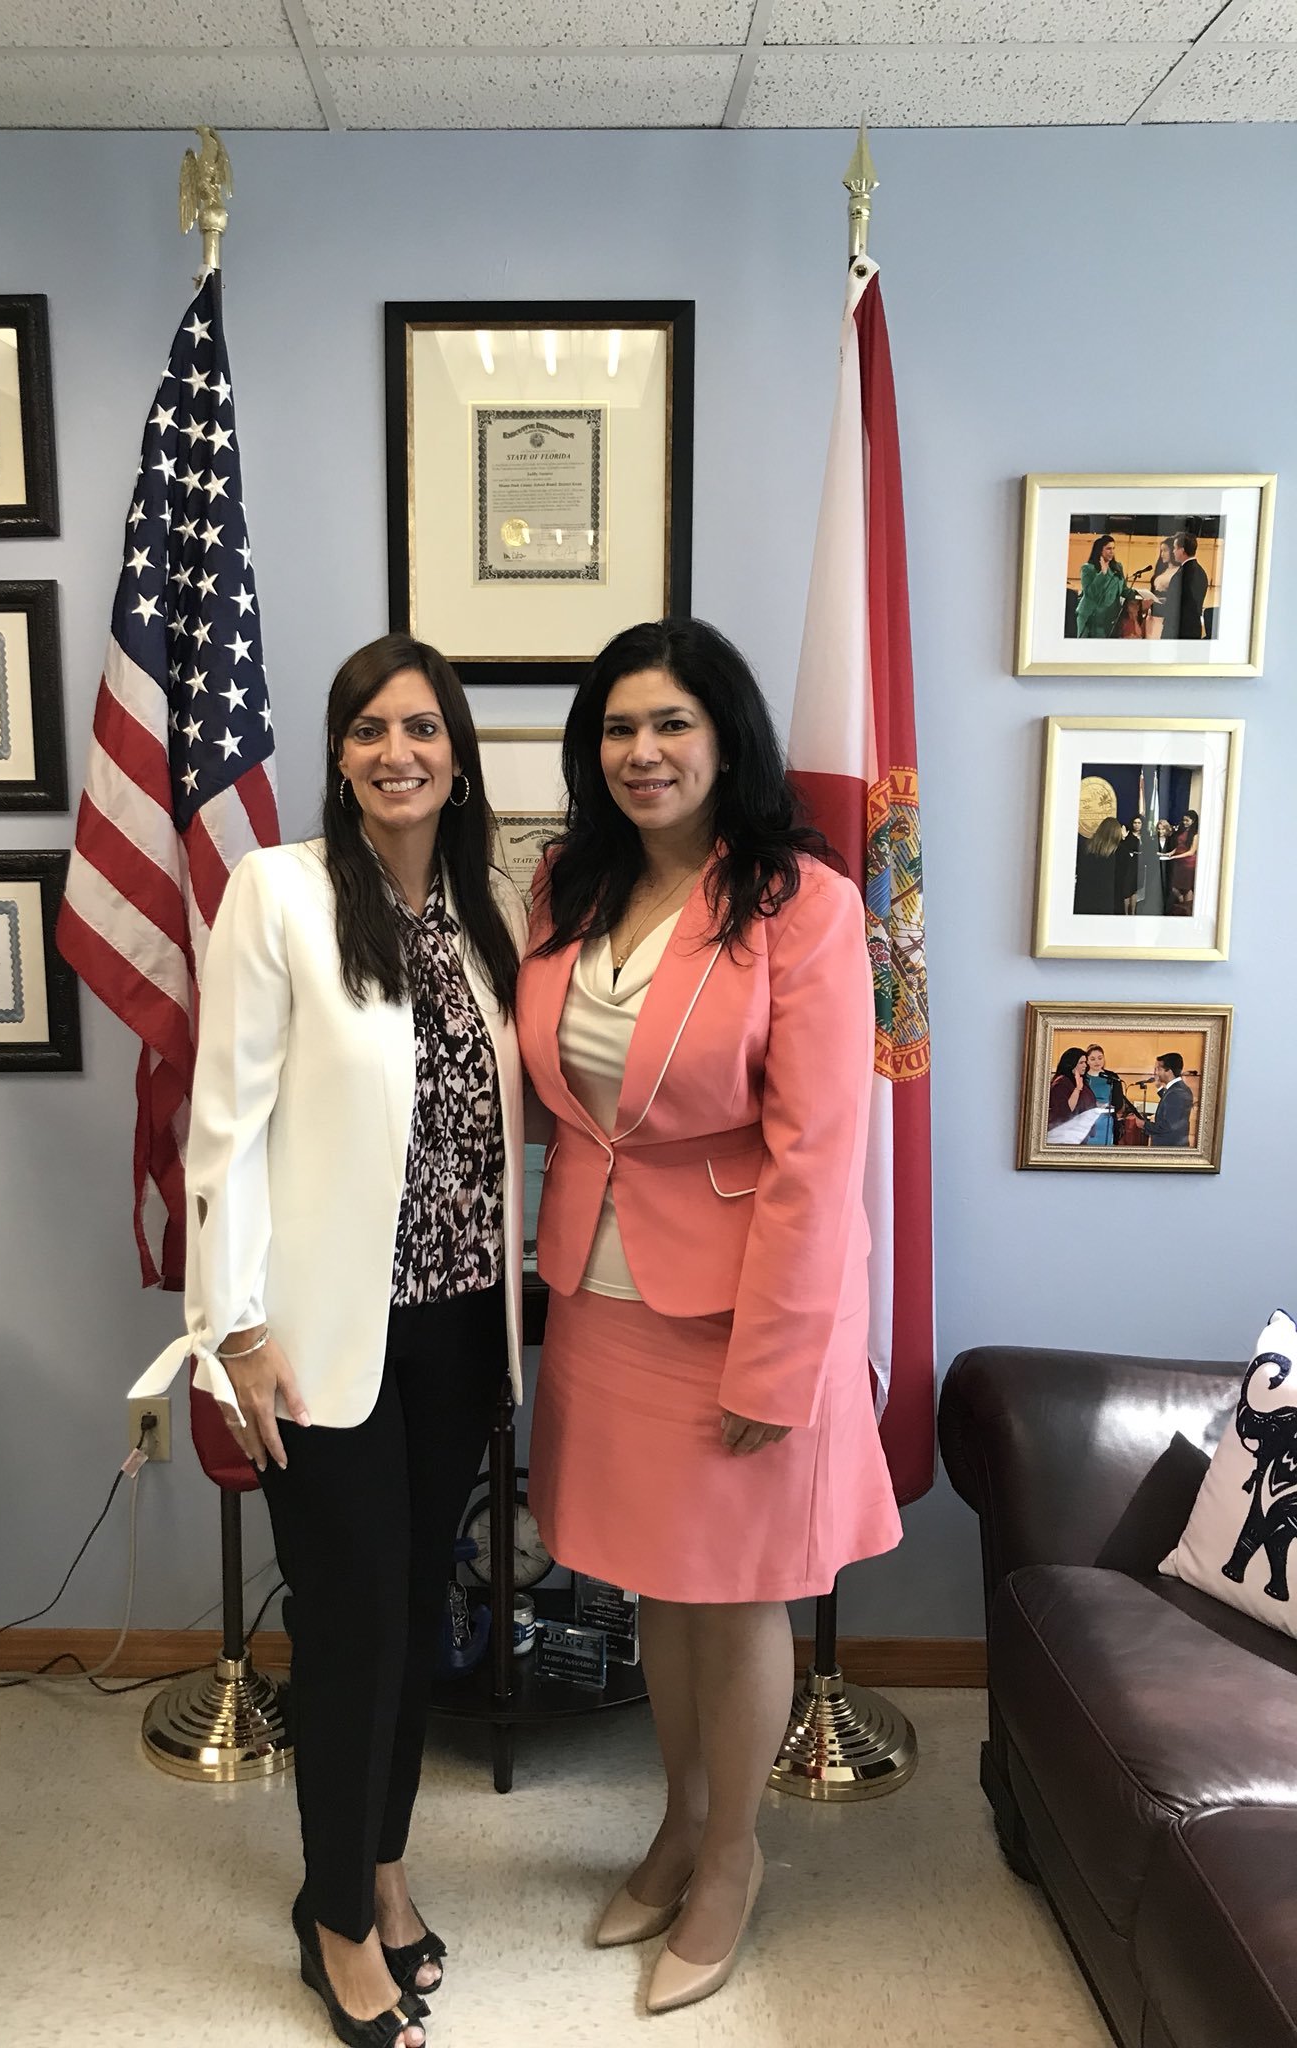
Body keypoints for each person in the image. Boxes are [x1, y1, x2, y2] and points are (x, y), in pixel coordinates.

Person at [516, 618, 900, 2015]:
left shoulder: (803, 902)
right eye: (620, 727)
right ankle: (678, 1824)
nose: (644, 751)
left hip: (745, 1306)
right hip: (603, 1291)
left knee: (734, 1596)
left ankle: (732, 1857)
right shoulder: (568, 880)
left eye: (672, 722)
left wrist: (777, 1361)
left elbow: (819, 1155)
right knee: (655, 1581)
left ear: (726, 737)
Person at [165, 633, 527, 2048]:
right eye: (370, 728)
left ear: (457, 755)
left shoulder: (482, 913)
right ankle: (331, 1919)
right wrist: (236, 1327)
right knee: (350, 1623)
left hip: (459, 1329)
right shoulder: (280, 891)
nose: (397, 751)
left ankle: (379, 1867)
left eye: (422, 728)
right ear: (338, 754)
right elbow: (224, 1127)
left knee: (417, 1611)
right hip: (319, 1336)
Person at [1075, 534, 1136, 638]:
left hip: (1109, 618)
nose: (1112, 552)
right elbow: (1090, 593)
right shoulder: (1088, 568)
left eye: (1113, 548)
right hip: (1090, 618)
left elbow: (1123, 590)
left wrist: (1140, 595)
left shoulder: (1117, 567)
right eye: (1108, 549)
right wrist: (1102, 574)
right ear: (1100, 550)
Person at [1047, 1047, 1103, 1144]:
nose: (1085, 1065)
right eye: (1081, 1063)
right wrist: (1077, 1089)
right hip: (1066, 1136)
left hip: (1081, 1134)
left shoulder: (1080, 1080)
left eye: (1085, 1062)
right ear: (1071, 1064)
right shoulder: (1060, 1083)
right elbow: (1066, 1110)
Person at [1161, 532, 1209, 640]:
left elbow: (1175, 606)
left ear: (1182, 550)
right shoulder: (1201, 572)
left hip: (1178, 630)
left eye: (1175, 548)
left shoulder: (1182, 574)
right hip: (1194, 628)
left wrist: (1153, 605)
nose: (1173, 551)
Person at [1075, 816, 1126, 915]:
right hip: (1110, 903)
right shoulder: (1121, 852)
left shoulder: (1085, 848)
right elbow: (1123, 880)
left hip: (1084, 900)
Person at [1082, 1044, 1128, 1147]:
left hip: (1107, 1121)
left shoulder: (1112, 1077)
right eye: (1093, 1059)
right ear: (1087, 1061)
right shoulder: (1083, 1078)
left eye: (1100, 1058)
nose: (1097, 1062)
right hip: (1087, 1122)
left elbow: (1118, 1103)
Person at [1149, 1053, 1195, 1146]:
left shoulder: (1177, 1092)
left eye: (1158, 1069)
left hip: (1169, 1146)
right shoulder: (1178, 1089)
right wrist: (1159, 1088)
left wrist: (1144, 1125)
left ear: (1169, 1071)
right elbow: (1171, 1102)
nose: (1156, 1073)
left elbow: (1167, 1126)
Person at [1163, 808, 1200, 915]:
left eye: (1187, 820)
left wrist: (1176, 856)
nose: (1184, 822)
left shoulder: (1195, 835)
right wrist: (1170, 853)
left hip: (1188, 864)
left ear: (1193, 821)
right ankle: (1180, 907)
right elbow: (1179, 846)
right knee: (1175, 886)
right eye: (1184, 820)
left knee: (1187, 888)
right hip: (1179, 863)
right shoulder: (1182, 831)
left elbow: (1191, 851)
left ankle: (1187, 911)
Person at [1145, 536, 1177, 641]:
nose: (1162, 554)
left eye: (1165, 550)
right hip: (1152, 614)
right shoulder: (1162, 570)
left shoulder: (1178, 571)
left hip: (1164, 615)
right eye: (1161, 551)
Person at [1120, 815, 1144, 915]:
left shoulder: (1146, 836)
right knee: (1127, 890)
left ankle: (1133, 913)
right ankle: (1125, 914)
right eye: (1135, 823)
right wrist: (1123, 838)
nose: (1137, 825)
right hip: (1129, 865)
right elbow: (1122, 848)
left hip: (1140, 865)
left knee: (1135, 890)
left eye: (1139, 823)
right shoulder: (1128, 835)